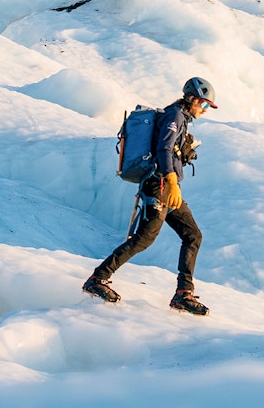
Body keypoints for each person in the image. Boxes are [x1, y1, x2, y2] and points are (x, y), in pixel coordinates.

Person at [82, 77, 218, 316]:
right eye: (204, 105)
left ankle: (183, 294)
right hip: (160, 185)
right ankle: (98, 278)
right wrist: (172, 180)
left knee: (192, 235)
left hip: (168, 187)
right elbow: (163, 148)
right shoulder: (174, 116)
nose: (205, 110)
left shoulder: (180, 117)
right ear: (193, 99)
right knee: (144, 238)